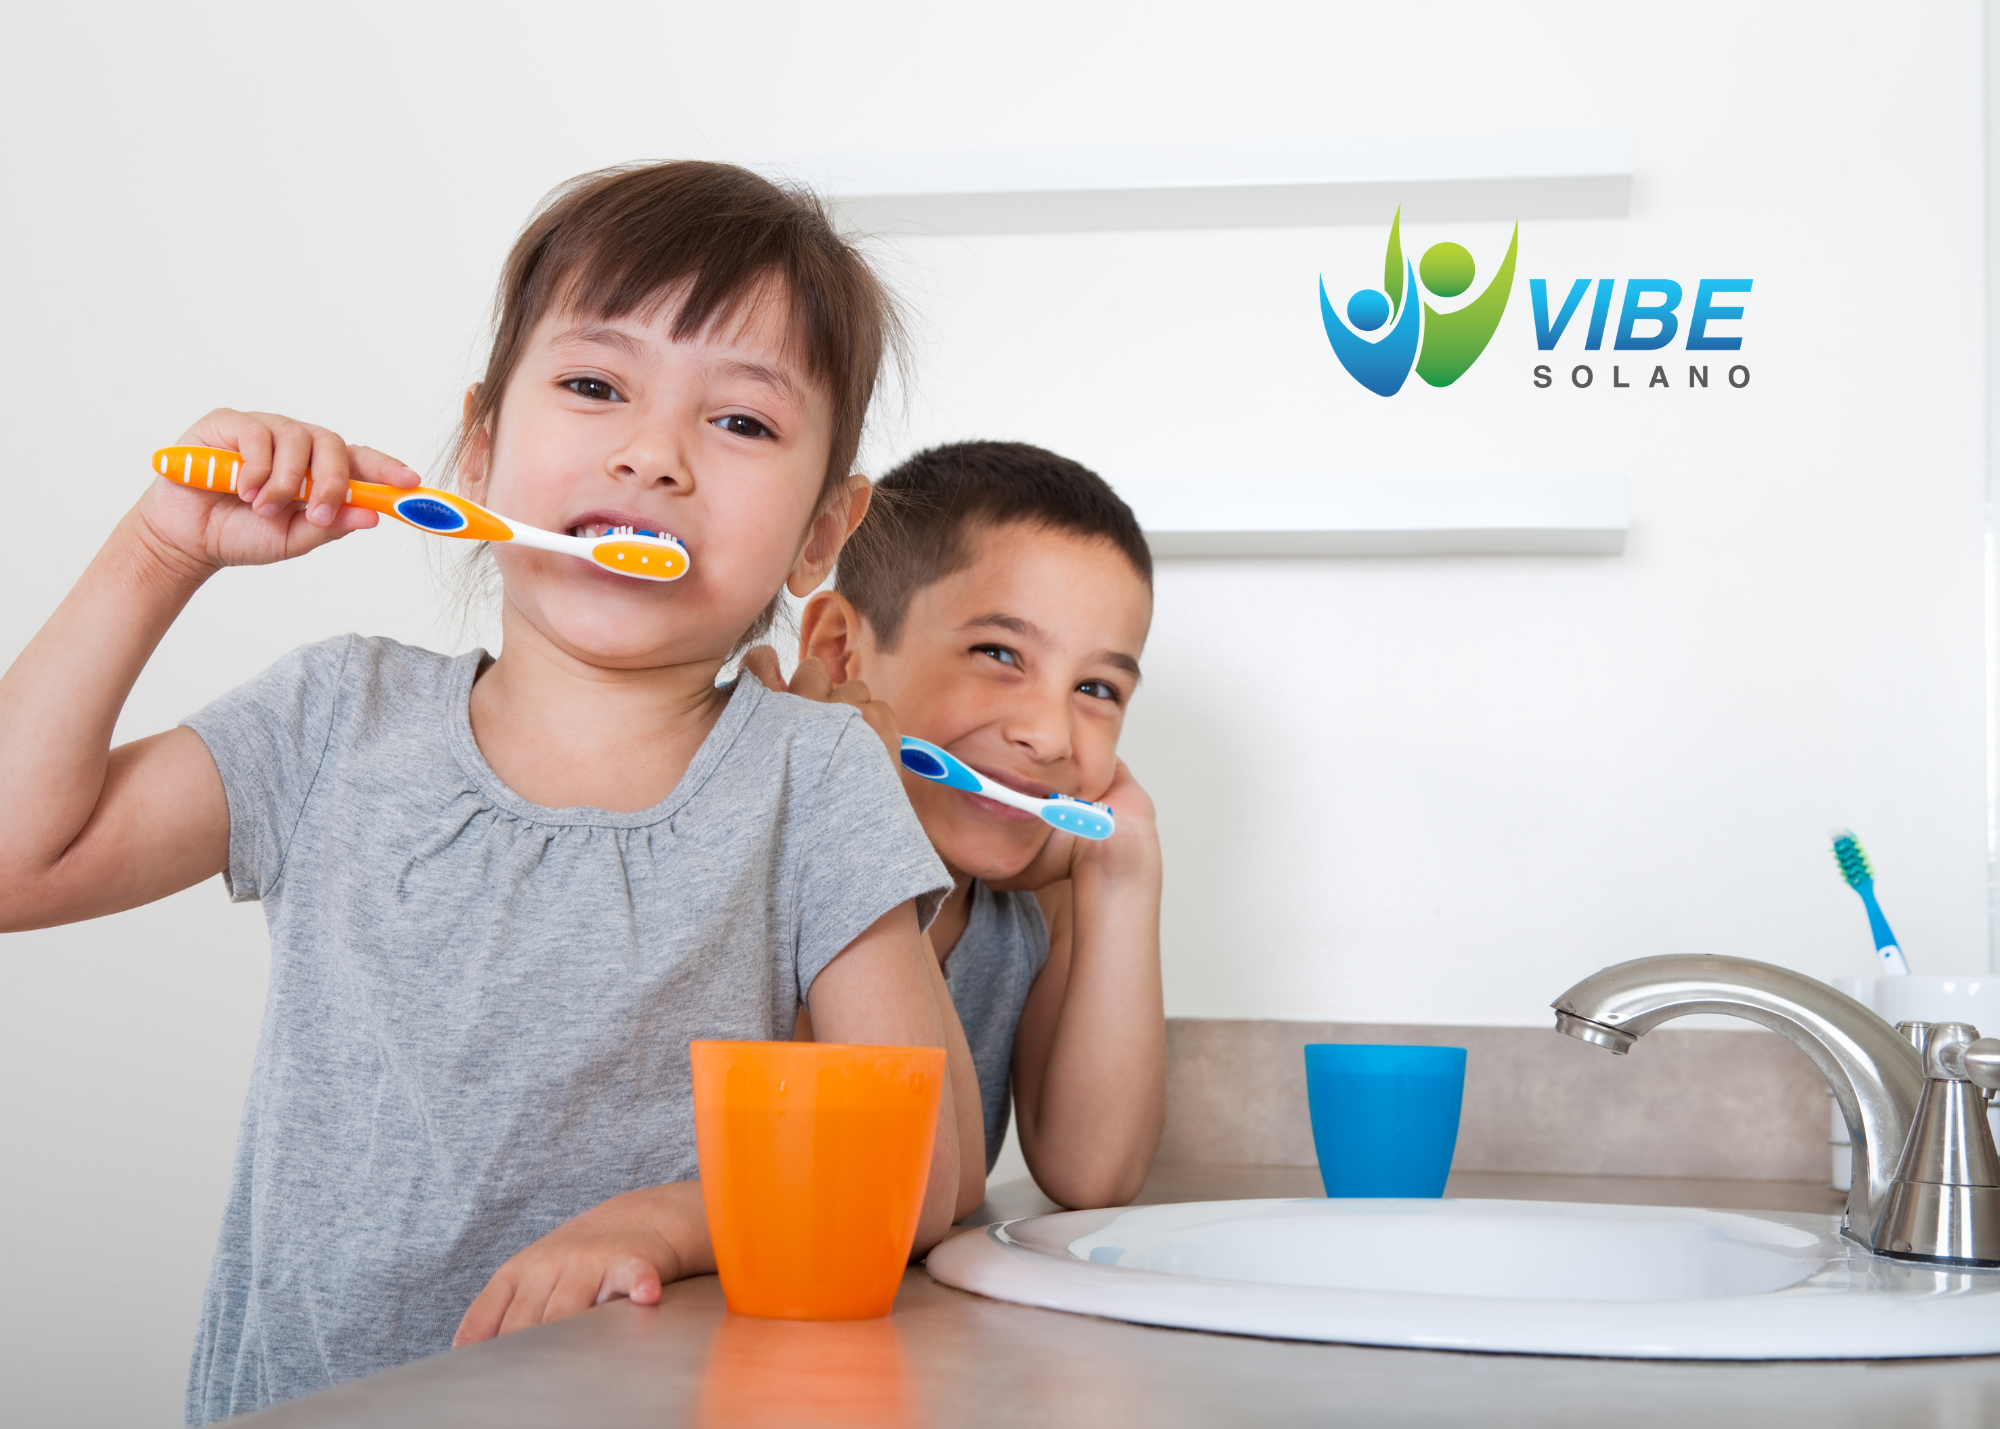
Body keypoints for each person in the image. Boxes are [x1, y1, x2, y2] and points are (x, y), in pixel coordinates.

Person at [0, 161, 986, 1423]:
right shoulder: (329, 723)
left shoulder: (810, 776)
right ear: (479, 444)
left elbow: (928, 1172)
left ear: (819, 535)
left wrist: (674, 1221)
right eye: (592, 385)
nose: (652, 455)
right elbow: (20, 861)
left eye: (740, 422)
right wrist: (158, 552)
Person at [747, 441, 1164, 1210]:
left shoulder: (1026, 908)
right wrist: (856, 812)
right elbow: (894, 1182)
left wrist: (1123, 870)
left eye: (1097, 687)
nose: (1051, 735)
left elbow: (1092, 1175)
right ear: (839, 653)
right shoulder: (755, 854)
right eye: (999, 652)